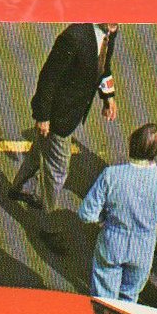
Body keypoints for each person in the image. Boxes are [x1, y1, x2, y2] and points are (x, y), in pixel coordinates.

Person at [9, 23, 120, 254]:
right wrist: (42, 116)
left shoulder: (111, 31)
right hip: (59, 116)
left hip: (71, 112)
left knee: (42, 149)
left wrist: (108, 97)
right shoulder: (74, 37)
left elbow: (103, 65)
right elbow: (49, 77)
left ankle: (19, 187)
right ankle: (49, 225)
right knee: (57, 172)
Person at [78, 123, 157, 302]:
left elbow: (86, 213)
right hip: (144, 245)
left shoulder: (111, 174)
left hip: (112, 240)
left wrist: (103, 220)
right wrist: (153, 223)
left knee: (103, 298)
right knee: (130, 298)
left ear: (131, 146)